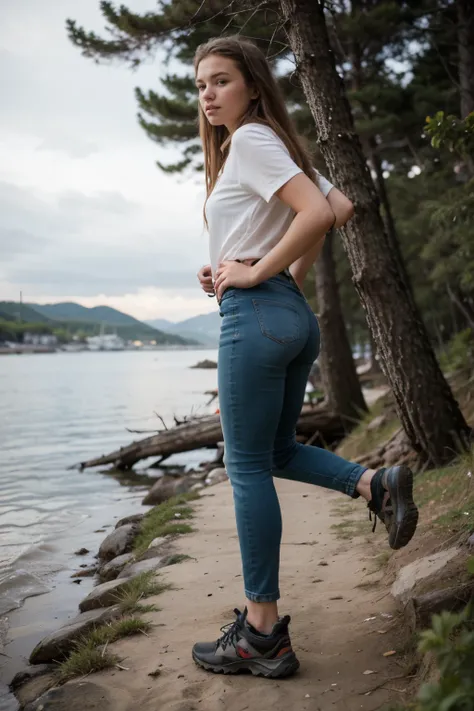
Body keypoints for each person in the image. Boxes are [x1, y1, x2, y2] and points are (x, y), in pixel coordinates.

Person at [191, 35, 418, 679]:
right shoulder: (270, 145)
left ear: (253, 87)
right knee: (277, 452)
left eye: (221, 81)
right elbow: (336, 206)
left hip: (259, 314)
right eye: (201, 83)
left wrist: (257, 271)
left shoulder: (252, 140)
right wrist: (259, 270)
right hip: (286, 314)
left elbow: (321, 211)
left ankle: (260, 632)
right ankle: (374, 484)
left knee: (245, 467)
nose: (208, 93)